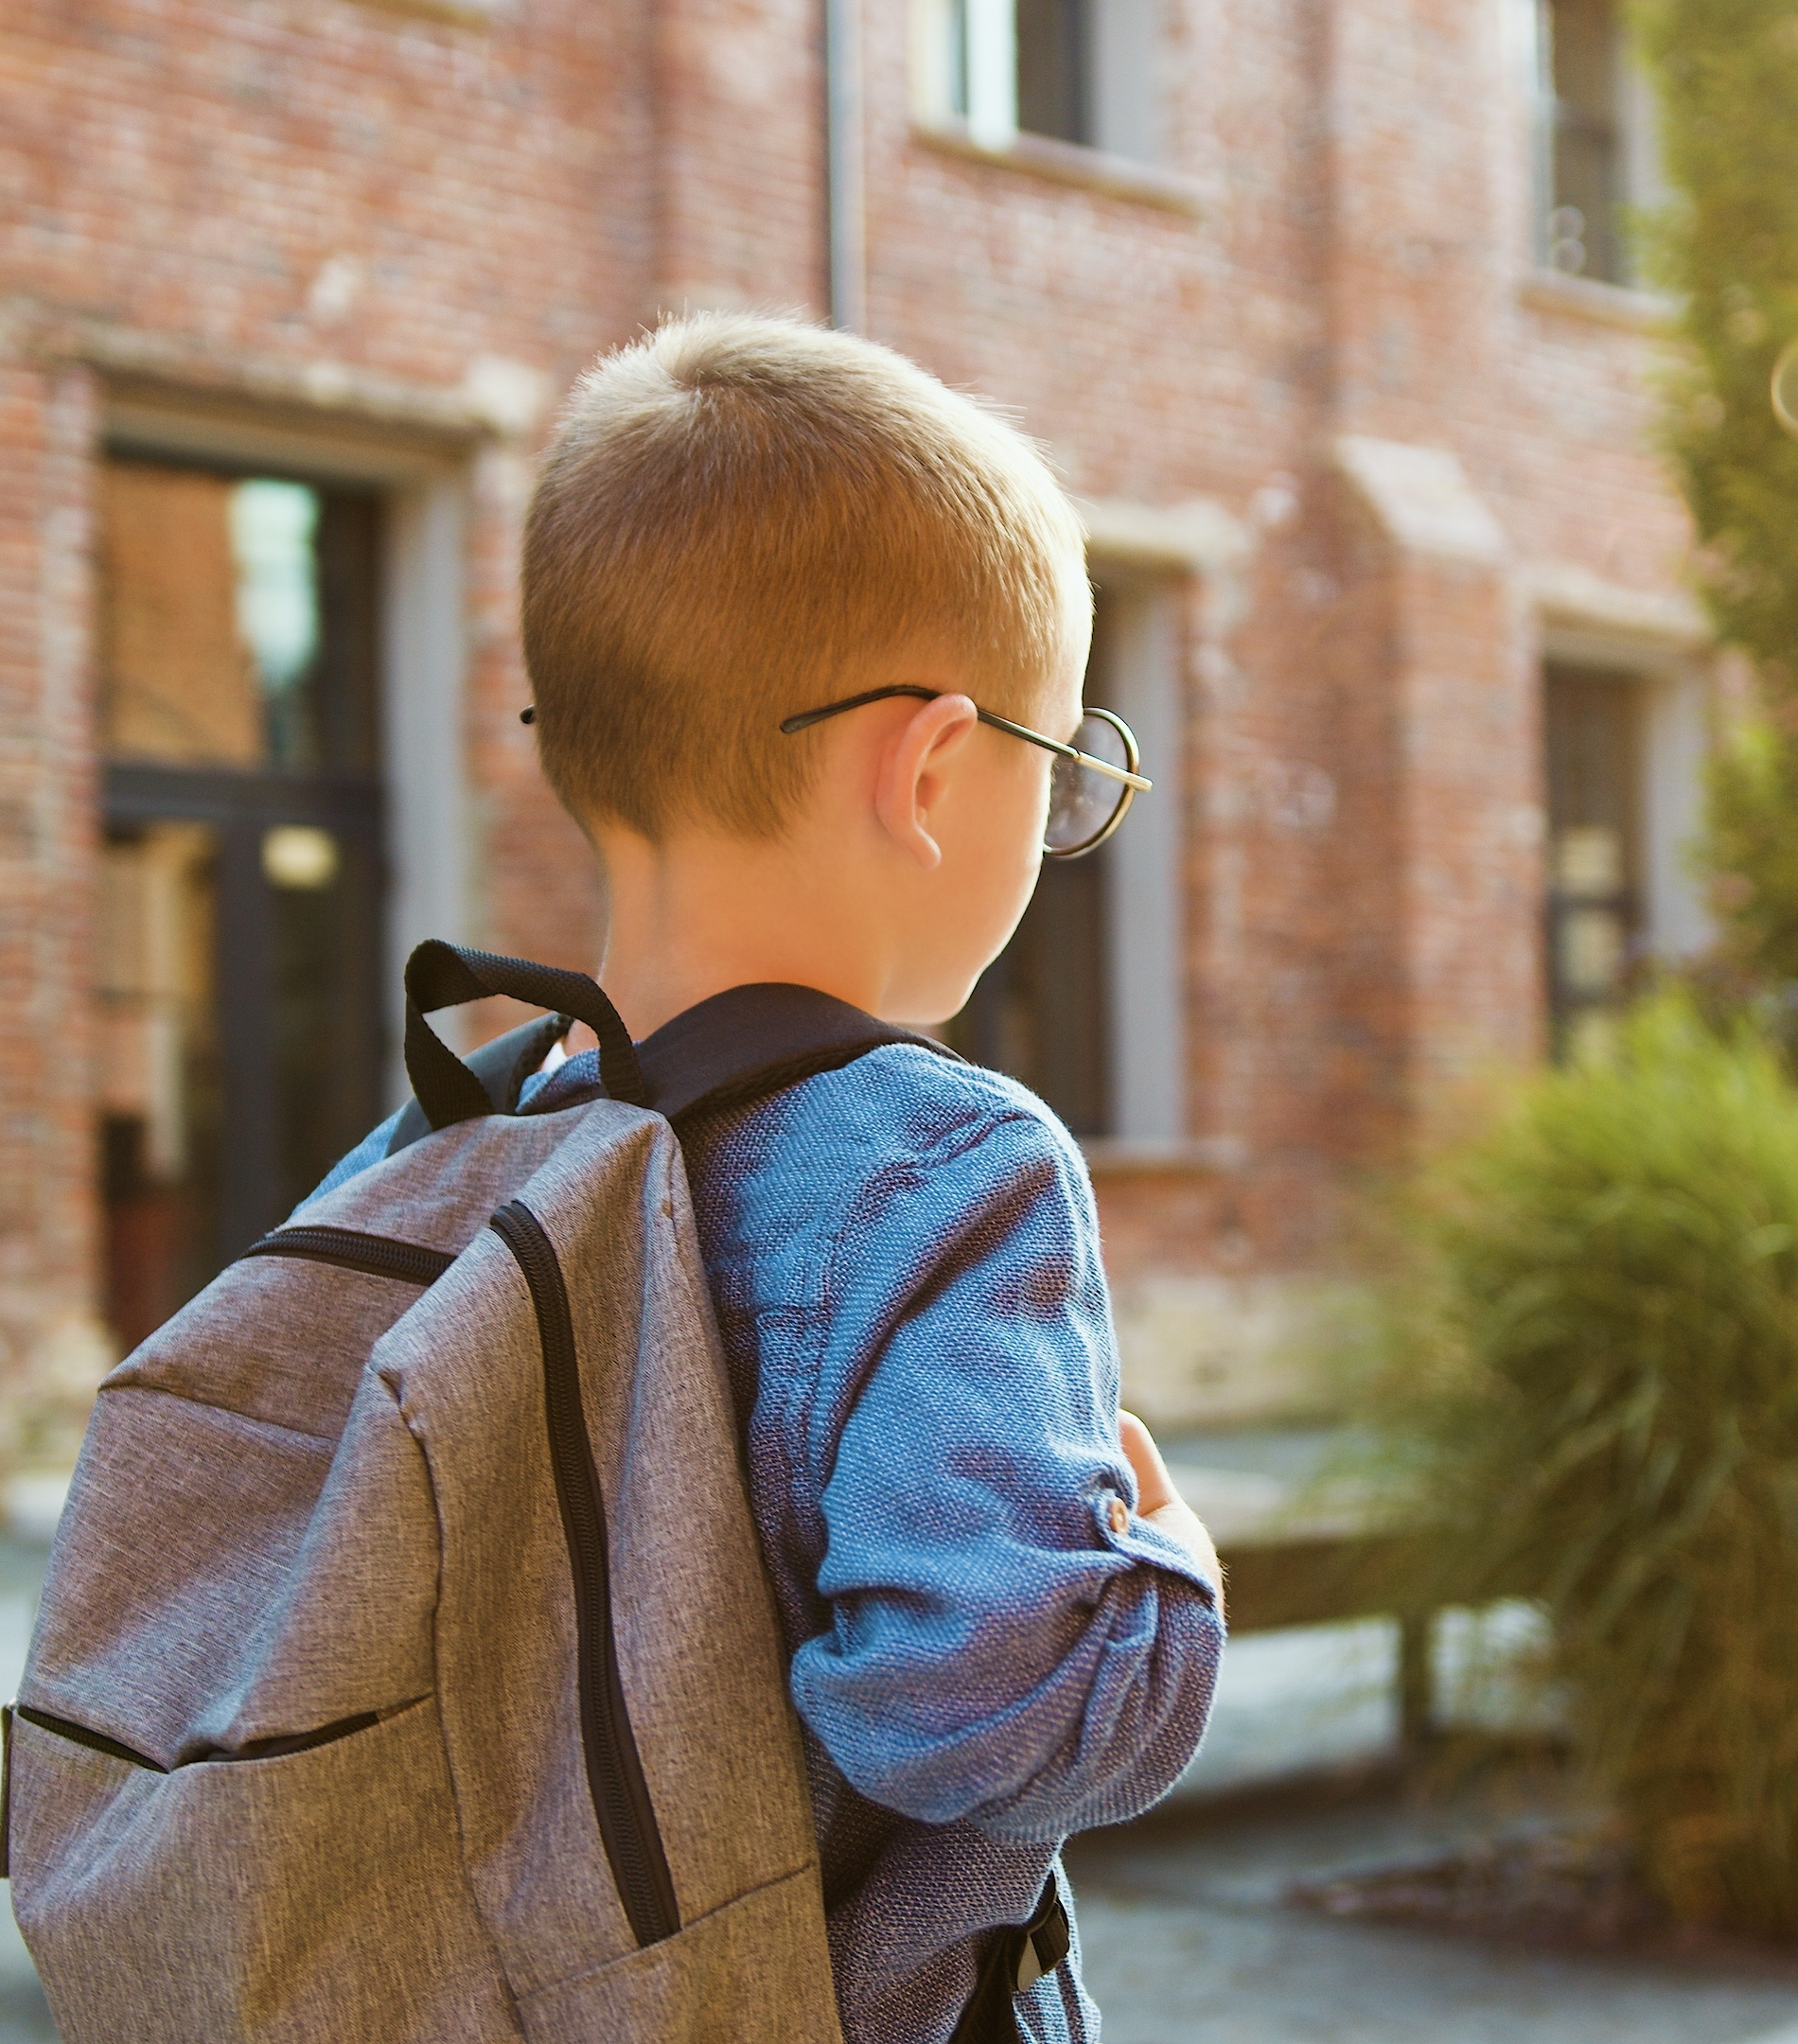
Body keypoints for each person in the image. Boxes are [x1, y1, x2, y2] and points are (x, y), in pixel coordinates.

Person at [303, 312, 1226, 2043]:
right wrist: (1165, 1575)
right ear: (934, 769)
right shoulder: (952, 1166)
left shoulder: (435, 1147)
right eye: (1063, 772)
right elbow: (981, 1706)